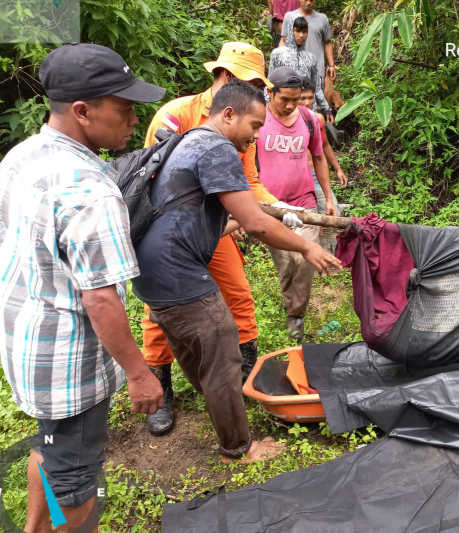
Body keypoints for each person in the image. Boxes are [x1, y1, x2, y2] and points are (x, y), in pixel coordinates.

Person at [0, 43, 165, 532]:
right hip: (68, 364)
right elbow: (100, 297)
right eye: (125, 109)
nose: (134, 120)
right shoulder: (90, 188)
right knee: (75, 482)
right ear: (84, 112)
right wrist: (139, 373)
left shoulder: (23, 156)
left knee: (50, 448)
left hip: (26, 347)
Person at [131, 79, 341, 464]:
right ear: (228, 115)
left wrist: (261, 218)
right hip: (179, 272)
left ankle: (220, 407)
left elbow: (205, 218)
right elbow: (256, 224)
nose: (257, 136)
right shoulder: (216, 147)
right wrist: (307, 244)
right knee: (222, 346)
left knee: (198, 353)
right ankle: (238, 448)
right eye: (255, 126)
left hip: (149, 275)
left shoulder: (188, 141)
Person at [141, 42, 295, 437]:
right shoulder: (175, 115)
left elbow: (249, 182)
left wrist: (278, 206)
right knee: (159, 312)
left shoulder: (245, 122)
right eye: (248, 82)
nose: (256, 92)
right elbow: (152, 181)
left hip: (216, 225)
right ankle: (160, 386)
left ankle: (241, 376)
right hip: (169, 234)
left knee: (239, 295)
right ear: (224, 77)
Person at [257, 67, 335, 340]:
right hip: (270, 207)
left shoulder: (310, 120)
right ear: (270, 92)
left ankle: (295, 316)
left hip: (304, 202)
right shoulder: (256, 118)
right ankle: (292, 304)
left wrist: (328, 197)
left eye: (297, 98)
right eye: (285, 99)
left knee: (303, 258)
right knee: (286, 261)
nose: (291, 105)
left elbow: (319, 157)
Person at [280, 0, 336, 121]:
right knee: (293, 101)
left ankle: (314, 130)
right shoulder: (290, 16)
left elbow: (327, 42)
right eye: (306, 0)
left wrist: (331, 65)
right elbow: (283, 40)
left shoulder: (322, 19)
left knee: (314, 103)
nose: (308, 3)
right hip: (293, 70)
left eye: (311, 0)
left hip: (316, 70)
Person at [269, 16, 333, 120]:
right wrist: (268, 106)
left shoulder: (311, 57)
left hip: (308, 108)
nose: (301, 35)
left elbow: (316, 87)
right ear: (290, 31)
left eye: (304, 32)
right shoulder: (278, 54)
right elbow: (270, 83)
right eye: (297, 31)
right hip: (286, 107)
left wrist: (326, 108)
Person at [299, 76, 346, 215]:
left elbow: (324, 145)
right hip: (296, 178)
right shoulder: (283, 122)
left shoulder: (317, 119)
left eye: (310, 97)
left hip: (315, 175)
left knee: (333, 214)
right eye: (302, 98)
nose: (307, 103)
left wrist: (338, 169)